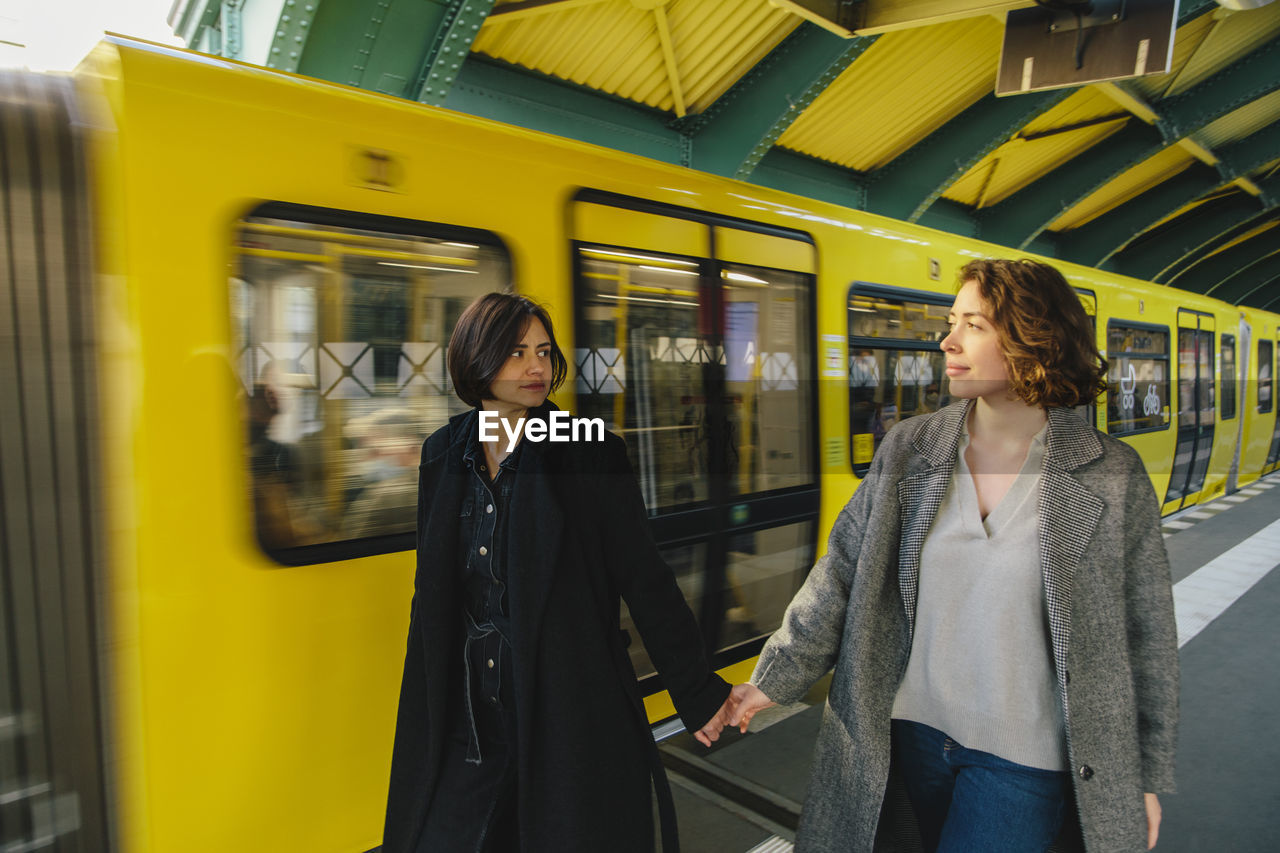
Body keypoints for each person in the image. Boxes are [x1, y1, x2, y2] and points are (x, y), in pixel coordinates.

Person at [721, 259, 1179, 853]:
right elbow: (841, 572)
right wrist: (773, 677)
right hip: (904, 737)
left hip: (1026, 753)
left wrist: (1141, 775)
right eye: (950, 321)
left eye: (976, 325)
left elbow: (1148, 634)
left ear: (1034, 342)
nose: (948, 340)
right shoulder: (912, 448)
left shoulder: (1111, 473)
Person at [381, 292, 734, 853]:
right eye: (517, 352)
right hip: (469, 716)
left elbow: (644, 579)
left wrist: (695, 691)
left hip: (565, 712)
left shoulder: (588, 452)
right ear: (477, 359)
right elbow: (432, 595)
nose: (536, 367)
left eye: (544, 351)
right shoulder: (442, 454)